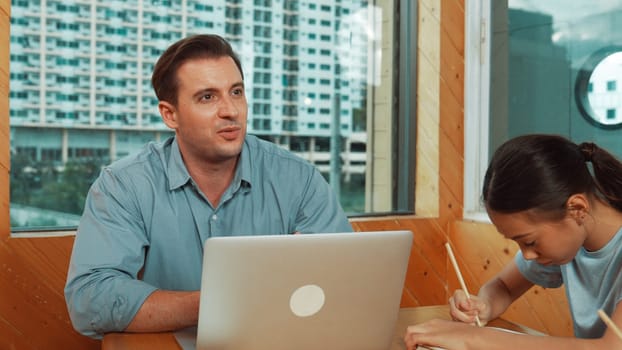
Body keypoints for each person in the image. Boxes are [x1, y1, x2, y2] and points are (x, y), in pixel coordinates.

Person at [64, 34, 352, 339]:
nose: (231, 110)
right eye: (207, 97)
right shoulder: (124, 185)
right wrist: (219, 303)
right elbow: (89, 299)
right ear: (170, 114)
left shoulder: (299, 179)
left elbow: (347, 280)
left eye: (236, 92)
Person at [404, 134, 622, 349]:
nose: (527, 255)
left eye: (530, 242)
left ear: (577, 209)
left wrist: (473, 338)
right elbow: (504, 287)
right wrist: (484, 305)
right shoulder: (572, 240)